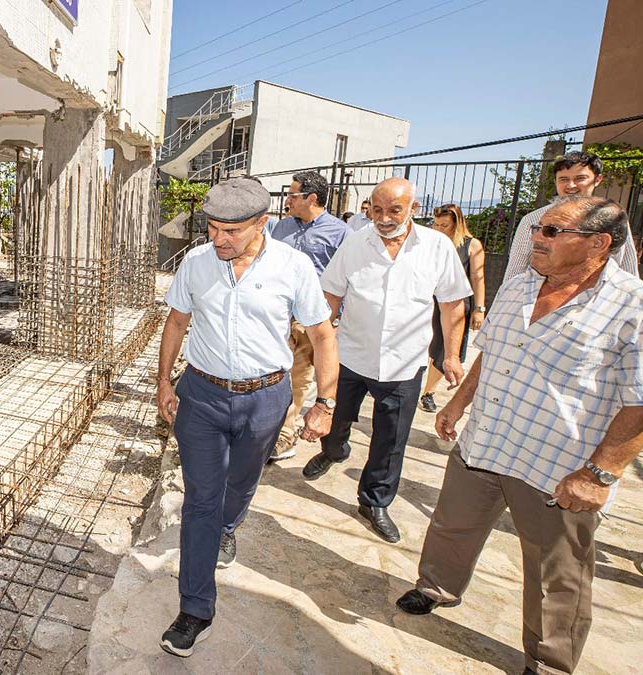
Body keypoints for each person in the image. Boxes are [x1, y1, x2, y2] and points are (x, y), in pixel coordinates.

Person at [399, 196, 643, 675]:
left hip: (559, 467)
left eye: (553, 232)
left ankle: (549, 660)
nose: (536, 238)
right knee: (453, 527)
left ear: (599, 243)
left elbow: (639, 401)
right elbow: (492, 353)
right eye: (538, 229)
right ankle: (436, 587)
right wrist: (458, 402)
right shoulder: (519, 287)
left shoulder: (631, 306)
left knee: (557, 572)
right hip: (486, 442)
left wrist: (601, 472)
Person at [156, 176, 339, 657]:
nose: (218, 239)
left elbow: (321, 334)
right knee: (201, 499)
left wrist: (325, 402)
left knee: (241, 482)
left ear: (262, 224)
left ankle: (228, 528)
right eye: (212, 228)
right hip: (202, 394)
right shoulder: (196, 264)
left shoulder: (293, 266)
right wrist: (163, 381)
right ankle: (195, 609)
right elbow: (176, 320)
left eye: (230, 231)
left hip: (265, 397)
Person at [302, 177, 472, 543]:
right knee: (332, 420)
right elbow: (330, 293)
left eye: (394, 210)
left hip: (404, 363)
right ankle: (334, 452)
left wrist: (453, 356)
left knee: (390, 439)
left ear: (414, 209)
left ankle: (374, 500)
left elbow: (452, 305)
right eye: (377, 209)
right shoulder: (354, 243)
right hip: (350, 354)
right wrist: (317, 339)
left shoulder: (437, 247)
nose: (383, 217)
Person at [267, 171, 350, 462]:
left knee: (297, 379)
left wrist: (336, 322)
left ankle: (283, 437)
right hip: (276, 313)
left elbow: (348, 280)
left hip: (310, 320)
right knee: (271, 374)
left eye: (292, 194)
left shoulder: (340, 233)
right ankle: (265, 433)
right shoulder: (280, 229)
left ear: (311, 198)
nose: (287, 200)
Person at [503, 151, 638, 279]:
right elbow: (516, 269)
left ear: (597, 180)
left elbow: (628, 268)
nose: (571, 185)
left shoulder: (614, 219)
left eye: (580, 178)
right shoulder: (533, 219)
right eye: (563, 179)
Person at [420, 204, 485, 413]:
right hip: (428, 302)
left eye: (445, 225)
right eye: (436, 224)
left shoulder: (471, 245)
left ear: (457, 224)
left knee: (445, 350)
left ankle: (428, 392)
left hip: (455, 305)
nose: (439, 229)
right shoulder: (430, 243)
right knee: (426, 346)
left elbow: (477, 278)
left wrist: (479, 308)